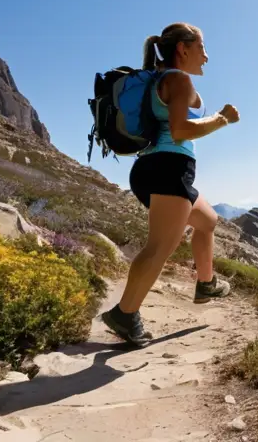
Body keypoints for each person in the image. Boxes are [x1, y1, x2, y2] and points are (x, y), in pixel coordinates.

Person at [101, 22, 240, 347]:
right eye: (202, 47)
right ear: (184, 48)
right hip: (168, 167)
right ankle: (125, 314)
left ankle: (206, 283)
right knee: (160, 247)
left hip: (159, 167)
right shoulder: (177, 79)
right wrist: (222, 119)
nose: (206, 56)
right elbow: (179, 130)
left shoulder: (163, 79)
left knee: (207, 221)